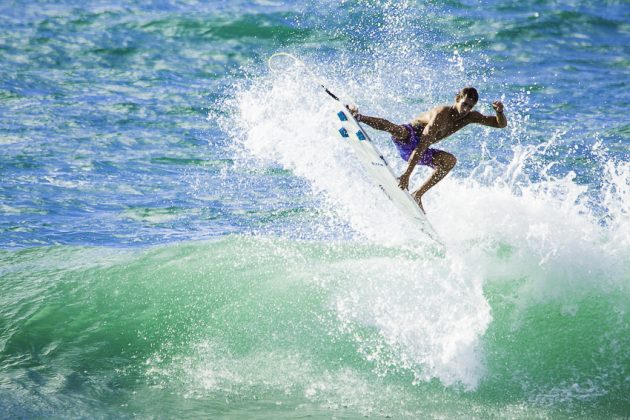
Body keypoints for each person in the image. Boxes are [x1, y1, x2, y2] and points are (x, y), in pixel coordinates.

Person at [349, 87, 507, 213]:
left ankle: (418, 194)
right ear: (458, 99)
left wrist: (499, 112)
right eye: (464, 103)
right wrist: (406, 174)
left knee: (449, 161)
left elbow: (500, 124)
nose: (466, 109)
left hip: (421, 152)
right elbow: (421, 145)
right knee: (398, 130)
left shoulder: (470, 117)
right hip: (408, 141)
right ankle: (359, 116)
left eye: (470, 106)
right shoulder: (440, 115)